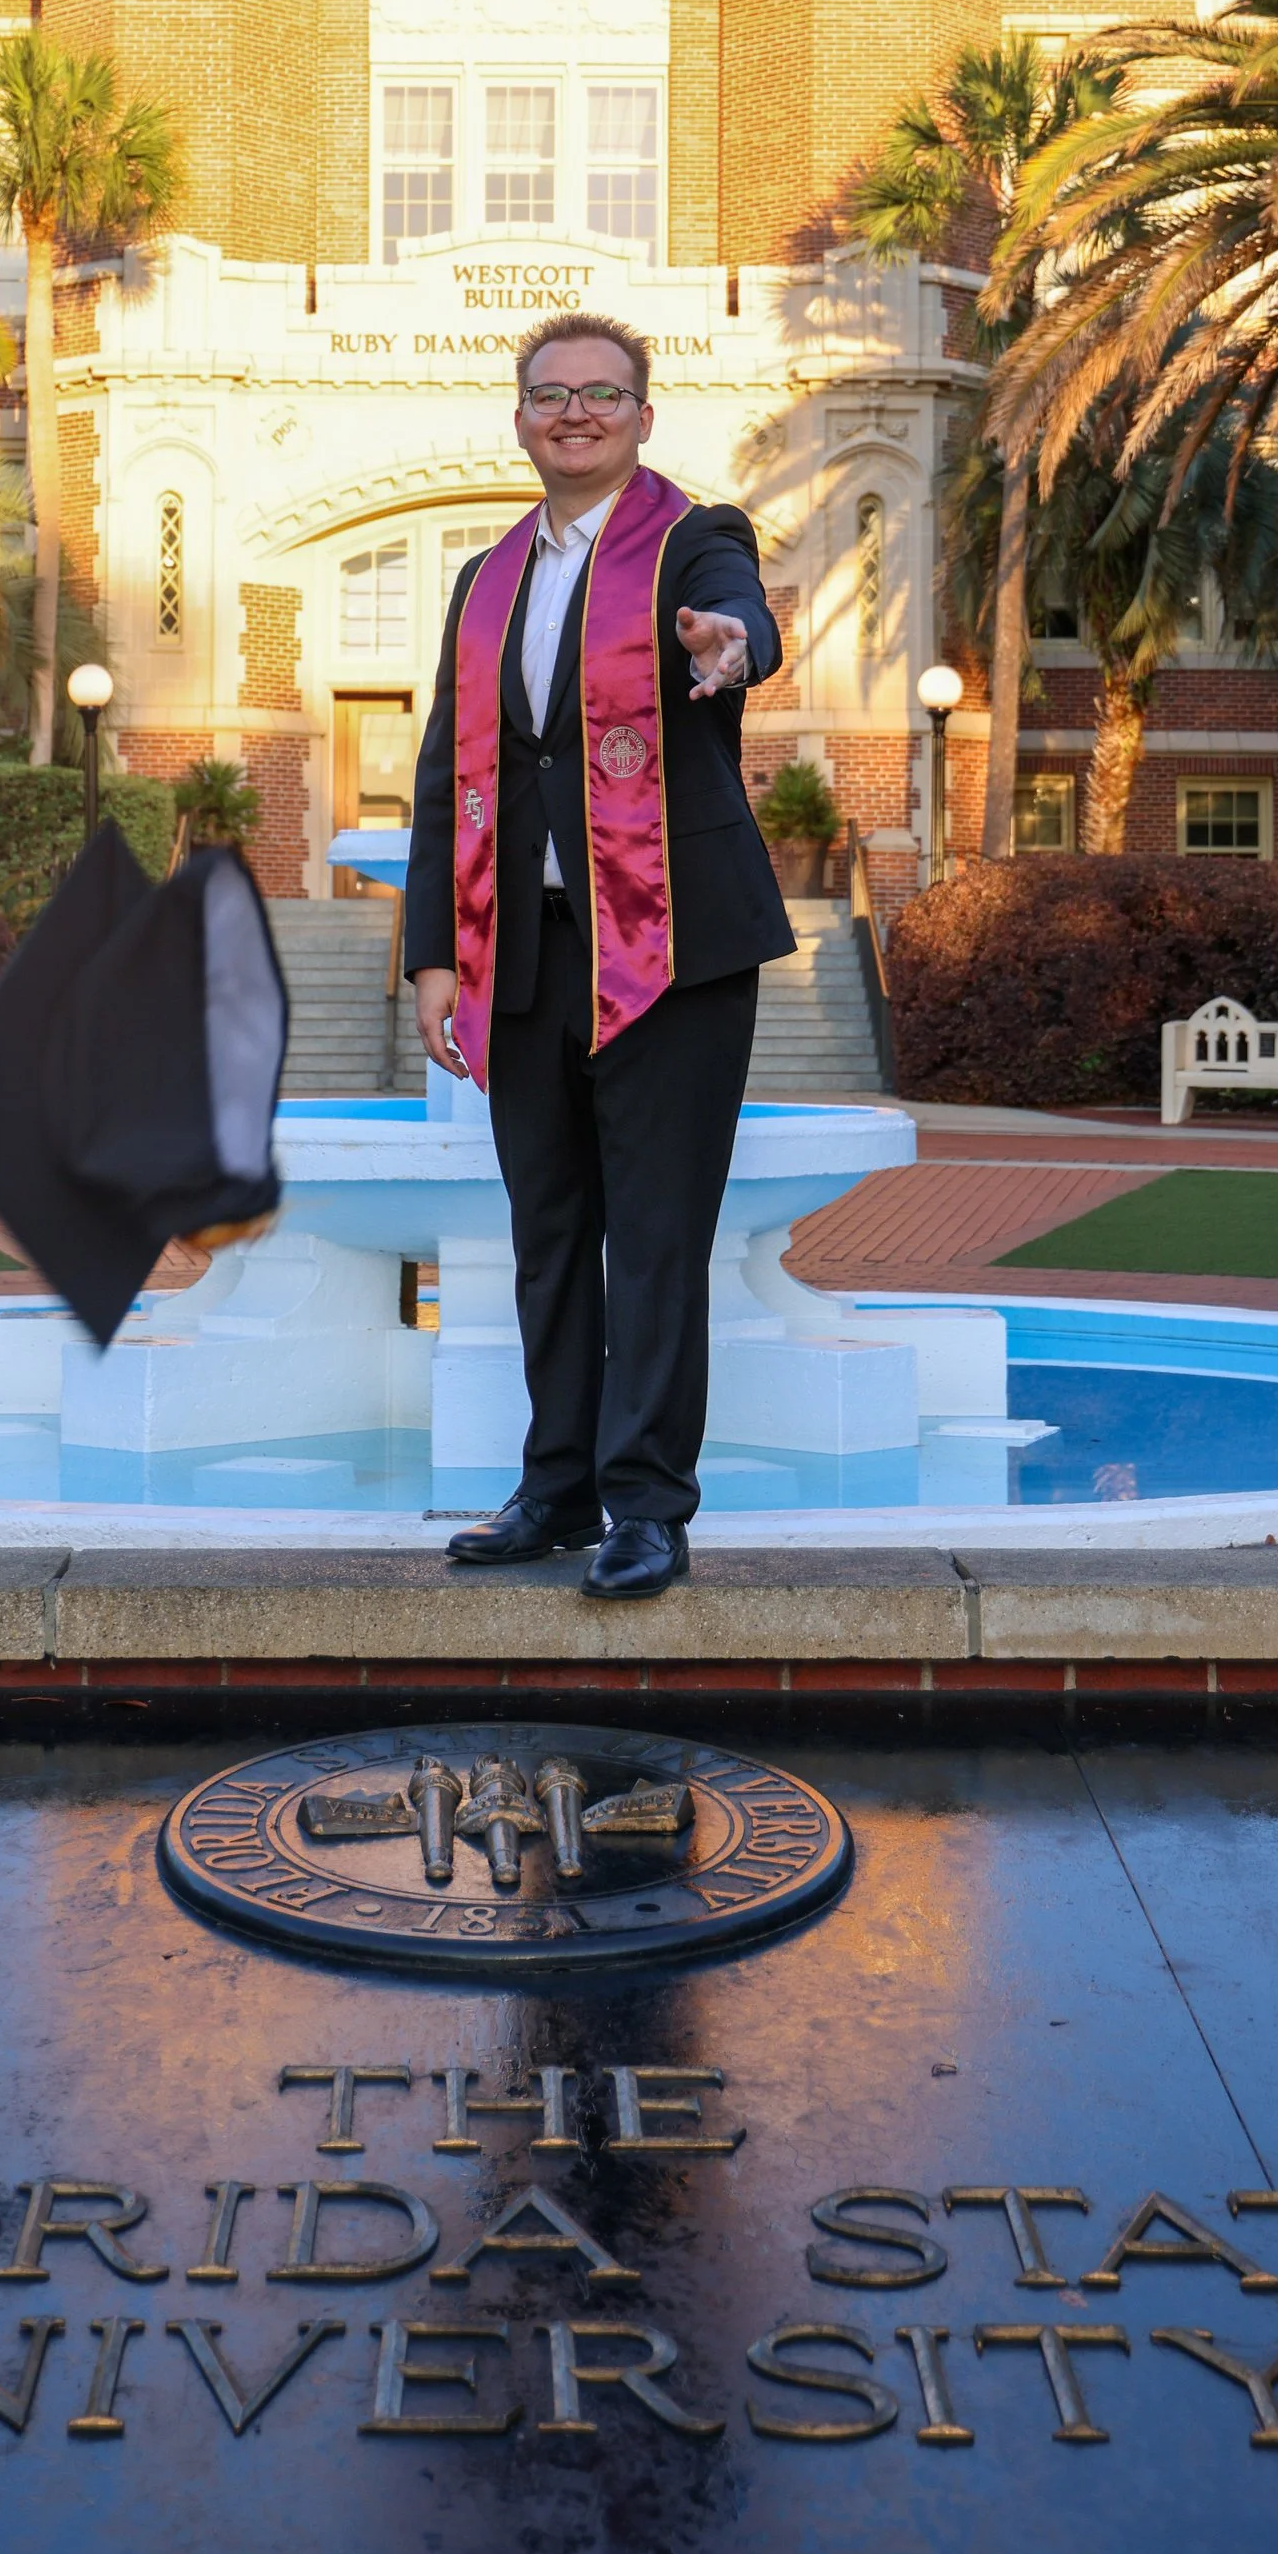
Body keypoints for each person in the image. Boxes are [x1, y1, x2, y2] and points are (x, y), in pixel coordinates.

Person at [404, 316, 794, 1600]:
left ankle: (648, 1507)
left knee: (658, 1227)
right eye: (548, 393)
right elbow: (443, 777)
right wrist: (432, 954)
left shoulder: (693, 536)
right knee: (550, 1227)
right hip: (525, 944)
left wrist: (732, 646)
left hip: (675, 941)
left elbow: (741, 613)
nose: (574, 412)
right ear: (518, 418)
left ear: (641, 413)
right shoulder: (484, 578)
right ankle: (557, 1486)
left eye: (601, 393)